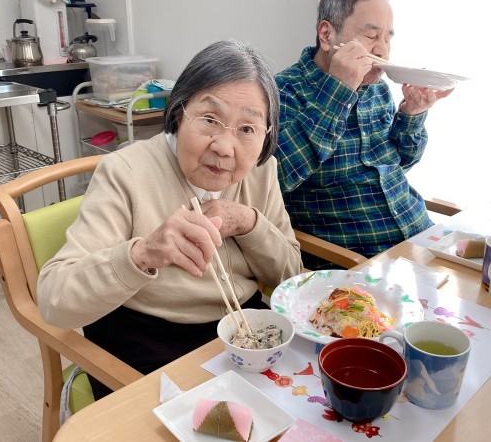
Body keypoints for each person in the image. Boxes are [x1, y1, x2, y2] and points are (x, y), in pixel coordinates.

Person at [37, 40, 302, 399]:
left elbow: (291, 278)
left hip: (243, 333)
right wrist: (142, 254)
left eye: (247, 129)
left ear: (266, 133)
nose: (225, 147)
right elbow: (54, 301)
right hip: (147, 341)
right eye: (209, 119)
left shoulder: (261, 171)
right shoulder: (124, 171)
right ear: (179, 112)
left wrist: (251, 224)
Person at [274, 0, 454, 268]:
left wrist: (411, 114)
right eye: (371, 36)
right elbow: (276, 179)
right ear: (326, 35)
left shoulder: (377, 90)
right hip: (358, 263)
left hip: (420, 238)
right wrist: (338, 90)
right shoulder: (282, 92)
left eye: (387, 39)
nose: (383, 51)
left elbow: (399, 166)